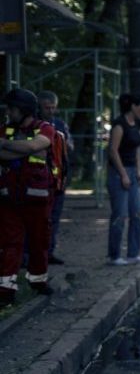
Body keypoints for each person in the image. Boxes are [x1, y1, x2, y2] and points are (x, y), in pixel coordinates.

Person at [0, 88, 57, 306]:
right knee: (10, 243)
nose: (8, 112)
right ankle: (5, 290)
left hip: (37, 197)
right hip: (10, 196)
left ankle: (38, 281)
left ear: (23, 109)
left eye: (11, 109)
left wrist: (6, 145)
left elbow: (36, 146)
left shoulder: (45, 128)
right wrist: (26, 149)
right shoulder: (6, 128)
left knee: (39, 241)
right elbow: (30, 149)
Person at [107, 92, 140, 265]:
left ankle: (133, 254)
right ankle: (115, 256)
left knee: (138, 212)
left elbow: (136, 148)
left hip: (133, 171)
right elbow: (113, 151)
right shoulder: (119, 125)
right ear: (133, 106)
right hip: (119, 172)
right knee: (120, 215)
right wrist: (123, 174)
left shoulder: (137, 124)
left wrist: (138, 171)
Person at [37, 91, 72, 266]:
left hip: (58, 179)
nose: (50, 111)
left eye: (53, 108)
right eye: (47, 108)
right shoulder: (34, 125)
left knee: (54, 218)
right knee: (39, 218)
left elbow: (69, 146)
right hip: (39, 178)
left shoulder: (60, 124)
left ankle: (49, 252)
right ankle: (32, 254)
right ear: (39, 107)